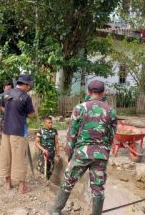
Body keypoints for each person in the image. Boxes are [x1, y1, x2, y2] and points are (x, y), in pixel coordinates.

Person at [48, 80, 117, 215]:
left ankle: (56, 210)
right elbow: (111, 137)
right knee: (98, 187)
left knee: (68, 180)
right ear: (103, 93)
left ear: (88, 92)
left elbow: (71, 135)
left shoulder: (80, 108)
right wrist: (105, 154)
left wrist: (70, 154)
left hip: (81, 153)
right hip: (101, 155)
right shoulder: (111, 111)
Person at [0, 74, 35, 194]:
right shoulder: (25, 97)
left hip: (6, 130)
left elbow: (3, 108)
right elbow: (31, 114)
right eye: (28, 85)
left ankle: (8, 183)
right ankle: (21, 186)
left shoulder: (6, 93)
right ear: (24, 84)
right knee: (19, 157)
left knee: (6, 156)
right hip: (19, 131)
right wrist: (22, 113)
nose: (29, 87)